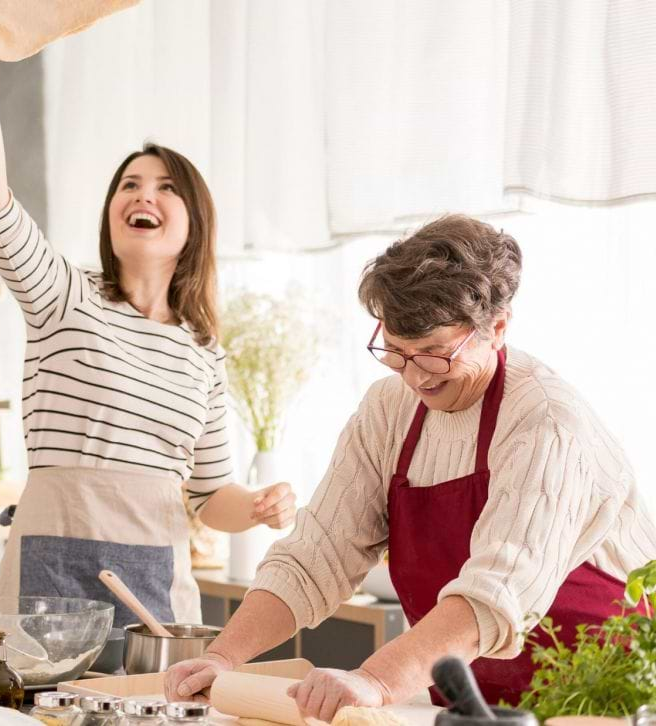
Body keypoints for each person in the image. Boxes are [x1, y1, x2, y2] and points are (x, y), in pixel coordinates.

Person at [165, 215, 656, 717]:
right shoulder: (388, 410)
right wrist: (223, 657)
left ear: (498, 329)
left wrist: (374, 680)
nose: (415, 376)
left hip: (599, 702)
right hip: (470, 705)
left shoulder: (546, 421)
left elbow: (496, 592)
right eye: (396, 352)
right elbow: (316, 555)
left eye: (434, 354)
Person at [0, 46, 297, 628]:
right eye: (129, 185)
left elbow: (212, 498)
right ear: (111, 213)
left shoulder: (203, 352)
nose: (143, 194)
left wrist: (261, 506)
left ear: (196, 223)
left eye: (166, 187)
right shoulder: (63, 294)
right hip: (46, 582)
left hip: (154, 596)